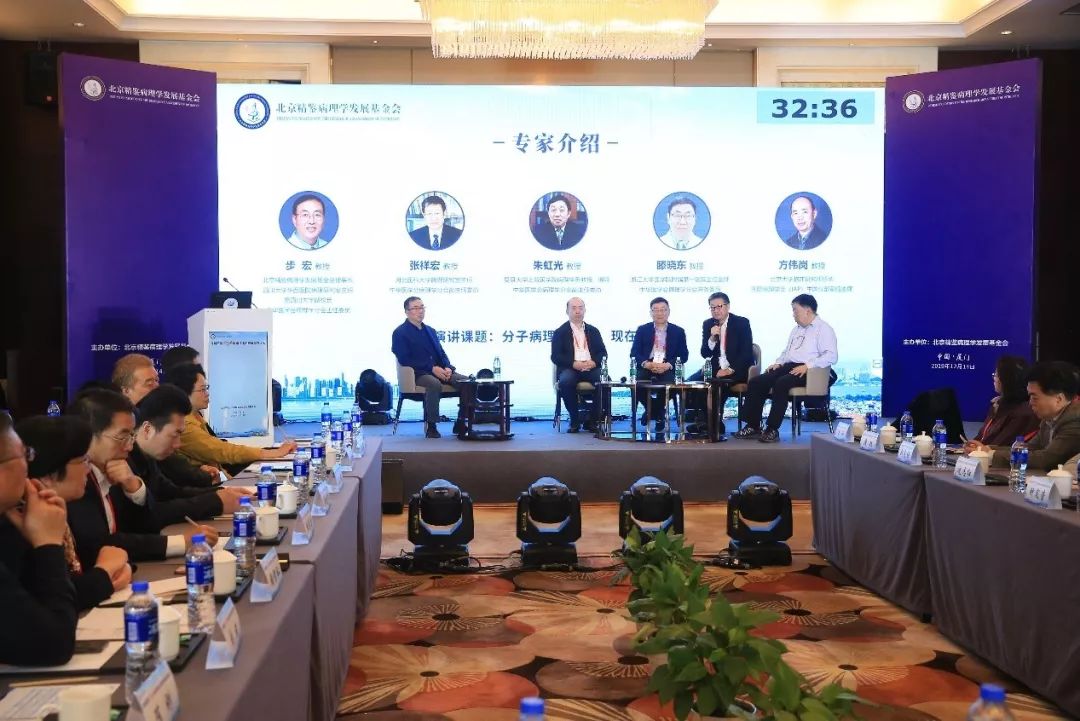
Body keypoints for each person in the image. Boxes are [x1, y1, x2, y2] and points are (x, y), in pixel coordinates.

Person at [66, 388, 218, 568]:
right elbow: (101, 545)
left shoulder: (115, 467)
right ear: (89, 436)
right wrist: (180, 542)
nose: (129, 447)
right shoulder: (76, 480)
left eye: (131, 436)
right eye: (122, 437)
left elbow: (145, 526)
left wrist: (135, 488)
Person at [8, 415, 131, 610]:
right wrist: (105, 573)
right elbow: (55, 598)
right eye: (83, 460)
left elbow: (94, 560)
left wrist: (117, 570)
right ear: (50, 474)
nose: (88, 469)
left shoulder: (58, 508)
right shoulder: (19, 524)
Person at [0, 411, 79, 665]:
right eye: (25, 455)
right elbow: (53, 644)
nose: (29, 466)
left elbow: (32, 609)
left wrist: (31, 540)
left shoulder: (10, 521)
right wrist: (47, 545)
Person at [129, 385, 248, 527]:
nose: (178, 444)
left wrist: (222, 493)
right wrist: (216, 502)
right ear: (148, 429)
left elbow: (172, 492)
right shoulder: (124, 462)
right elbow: (150, 515)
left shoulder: (148, 457)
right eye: (175, 434)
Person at [735, 294, 837, 443]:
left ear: (808, 310)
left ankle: (772, 429)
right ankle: (753, 426)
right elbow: (787, 353)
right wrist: (778, 363)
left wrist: (808, 366)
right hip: (789, 366)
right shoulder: (796, 330)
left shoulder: (824, 329)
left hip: (811, 371)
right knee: (757, 381)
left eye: (795, 310)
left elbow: (831, 356)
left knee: (782, 383)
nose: (793, 314)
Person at [165, 363, 297, 472]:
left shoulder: (196, 416)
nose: (207, 393)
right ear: (184, 393)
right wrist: (272, 453)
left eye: (207, 388)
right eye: (202, 389)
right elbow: (220, 450)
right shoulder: (185, 425)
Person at [967, 361, 1080, 471]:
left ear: (1058, 399)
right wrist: (987, 449)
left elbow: (1046, 459)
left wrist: (991, 454)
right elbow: (1028, 448)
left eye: (1034, 398)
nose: (1030, 403)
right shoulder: (1049, 418)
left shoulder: (1075, 421)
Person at [391, 296, 469, 438]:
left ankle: (461, 421)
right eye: (416, 308)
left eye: (422, 307)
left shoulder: (430, 331)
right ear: (407, 312)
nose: (420, 311)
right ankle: (431, 426)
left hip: (439, 370)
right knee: (434, 383)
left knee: (467, 383)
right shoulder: (400, 333)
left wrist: (447, 367)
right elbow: (405, 358)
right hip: (417, 373)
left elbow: (441, 353)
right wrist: (431, 368)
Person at [692, 292, 754, 437]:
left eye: (719, 306)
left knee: (716, 384)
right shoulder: (708, 324)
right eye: (712, 307)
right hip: (717, 368)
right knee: (694, 383)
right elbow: (705, 353)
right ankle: (706, 422)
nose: (716, 310)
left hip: (738, 368)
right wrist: (712, 338)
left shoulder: (741, 323)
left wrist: (729, 370)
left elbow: (746, 353)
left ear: (728, 306)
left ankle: (712, 424)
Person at [630, 297, 689, 432]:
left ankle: (652, 411)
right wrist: (646, 364)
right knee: (637, 383)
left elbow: (684, 355)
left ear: (668, 312)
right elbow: (634, 353)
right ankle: (658, 412)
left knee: (672, 383)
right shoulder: (642, 330)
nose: (659, 313)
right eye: (655, 310)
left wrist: (668, 365)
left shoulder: (678, 331)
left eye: (663, 310)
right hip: (648, 366)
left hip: (667, 366)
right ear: (651, 313)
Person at [550, 297, 608, 433]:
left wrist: (594, 362)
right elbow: (556, 356)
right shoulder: (560, 332)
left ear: (585, 310)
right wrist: (573, 363)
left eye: (580, 308)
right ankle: (574, 419)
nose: (577, 311)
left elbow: (603, 353)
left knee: (605, 381)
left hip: (591, 367)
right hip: (571, 368)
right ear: (567, 311)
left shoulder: (593, 331)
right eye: (574, 308)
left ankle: (593, 420)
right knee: (566, 381)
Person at [962, 355, 1039, 451]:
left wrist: (980, 448)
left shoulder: (1023, 413)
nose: (994, 378)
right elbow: (981, 438)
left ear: (1007, 379)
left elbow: (998, 445)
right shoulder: (999, 404)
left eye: (996, 375)